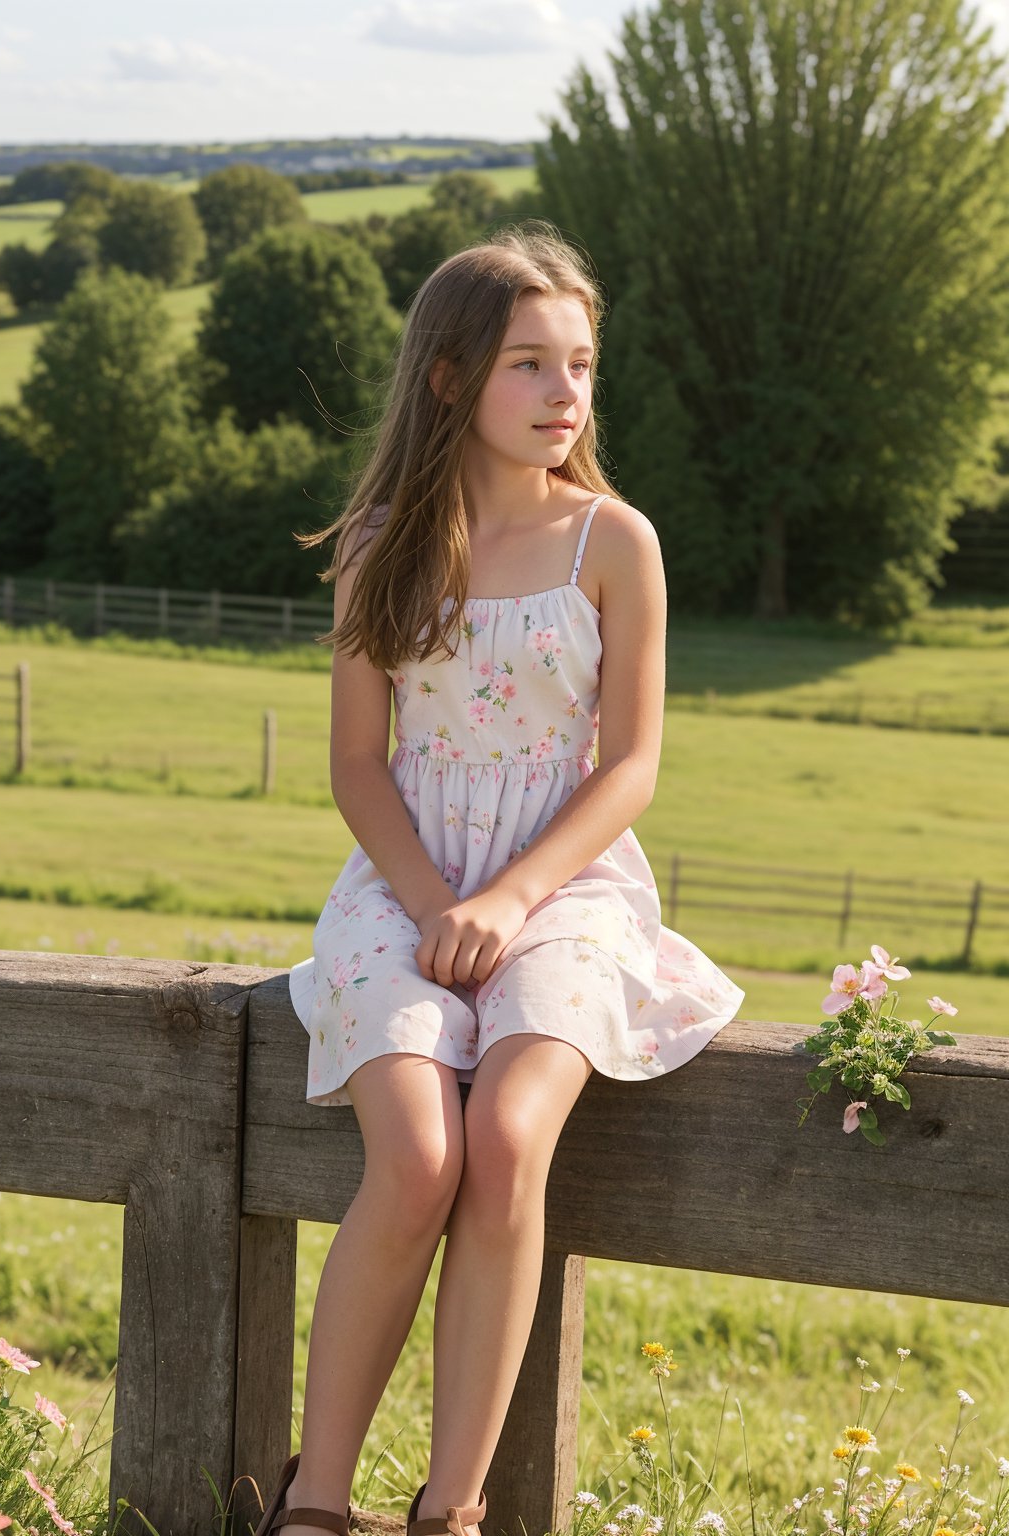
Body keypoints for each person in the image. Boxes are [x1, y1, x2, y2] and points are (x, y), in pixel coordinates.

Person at [258, 223, 745, 1536]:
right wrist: (431, 902)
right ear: (449, 379)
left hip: (564, 884)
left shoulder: (613, 543)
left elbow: (631, 765)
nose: (566, 393)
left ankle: (452, 1511)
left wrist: (513, 899)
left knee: (506, 1136)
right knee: (416, 1158)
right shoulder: (379, 546)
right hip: (404, 879)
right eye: (531, 364)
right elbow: (360, 766)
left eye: (580, 363)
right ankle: (316, 1502)